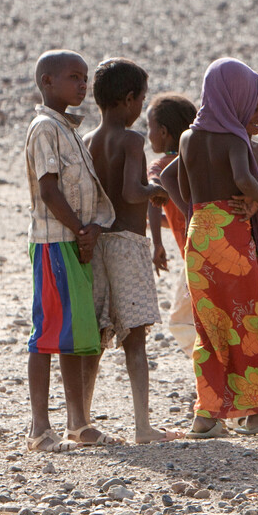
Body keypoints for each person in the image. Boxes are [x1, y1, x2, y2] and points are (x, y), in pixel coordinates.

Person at [178, 57, 258, 438]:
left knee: (210, 325)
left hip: (198, 234)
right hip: (231, 233)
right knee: (249, 320)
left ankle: (207, 415)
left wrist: (202, 213)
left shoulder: (187, 137)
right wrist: (256, 197)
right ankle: (256, 413)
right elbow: (246, 180)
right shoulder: (233, 139)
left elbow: (180, 186)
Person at [24, 50, 114, 454]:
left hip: (74, 240)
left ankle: (79, 422)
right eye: (74, 78)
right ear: (47, 82)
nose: (83, 85)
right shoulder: (45, 127)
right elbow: (48, 189)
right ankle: (40, 427)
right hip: (54, 242)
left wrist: (89, 228)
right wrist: (79, 229)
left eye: (85, 78)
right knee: (47, 335)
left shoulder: (69, 128)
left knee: (76, 332)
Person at [86, 57, 179, 444]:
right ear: (128, 100)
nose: (142, 108)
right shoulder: (131, 140)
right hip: (126, 243)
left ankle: (84, 418)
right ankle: (143, 425)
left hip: (98, 244)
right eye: (141, 99)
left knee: (97, 335)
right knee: (135, 338)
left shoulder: (90, 139)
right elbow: (129, 191)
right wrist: (156, 191)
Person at [146, 92, 199, 353]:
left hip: (194, 256)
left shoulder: (161, 165)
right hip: (215, 245)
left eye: (149, 128)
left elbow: (152, 193)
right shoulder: (198, 159)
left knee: (181, 322)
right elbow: (182, 214)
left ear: (164, 132)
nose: (148, 135)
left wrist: (156, 242)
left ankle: (209, 371)